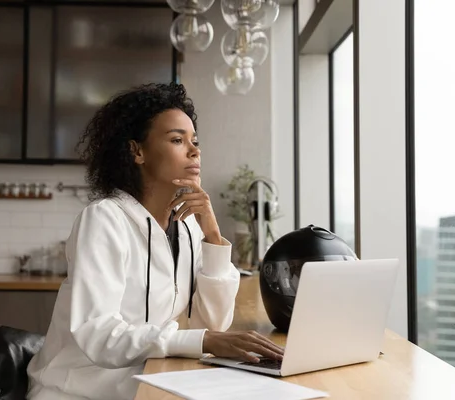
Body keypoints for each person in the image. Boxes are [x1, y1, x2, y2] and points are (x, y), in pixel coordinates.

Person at [26, 83, 284, 400]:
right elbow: (98, 334)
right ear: (137, 151)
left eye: (195, 141)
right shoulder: (105, 219)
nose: (194, 151)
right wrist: (203, 341)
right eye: (177, 140)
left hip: (146, 384)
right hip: (76, 392)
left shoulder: (188, 225)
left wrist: (213, 237)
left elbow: (211, 324)